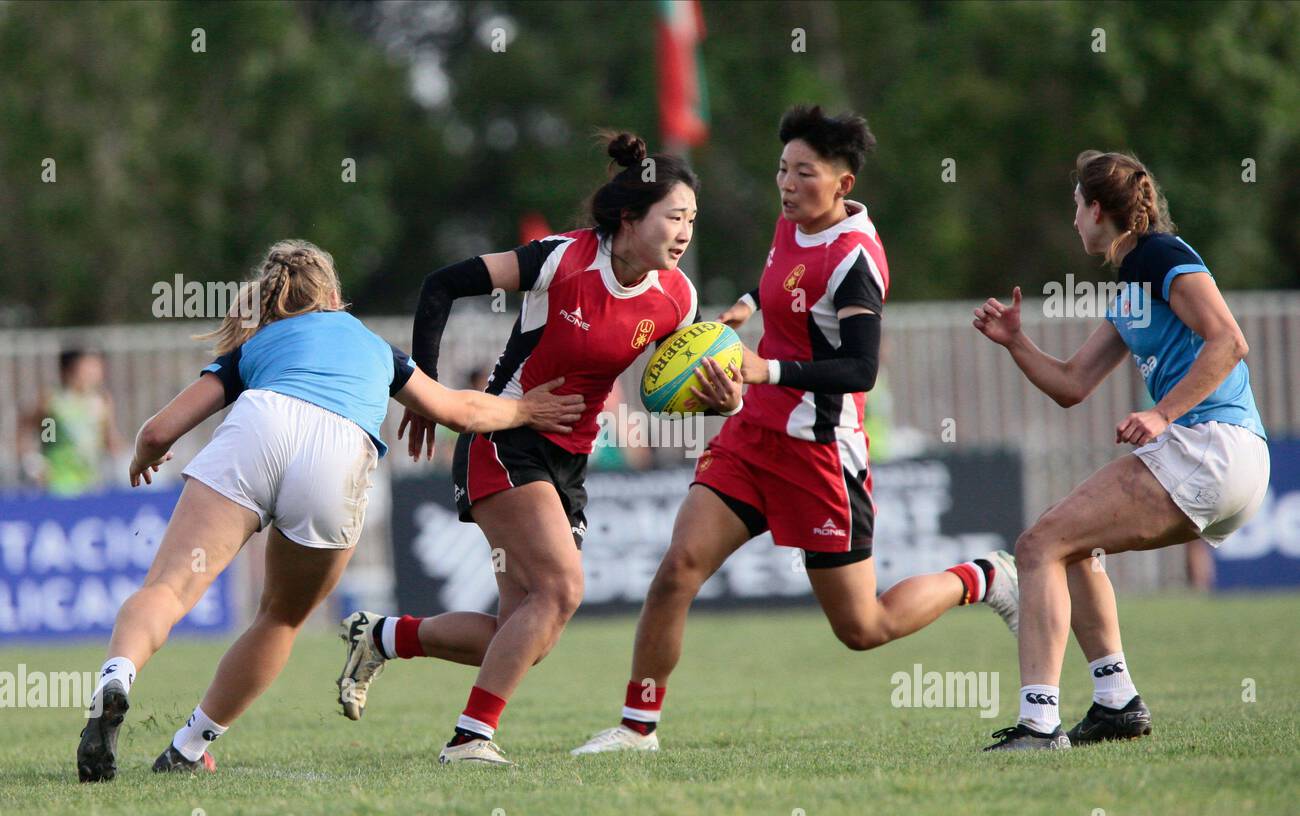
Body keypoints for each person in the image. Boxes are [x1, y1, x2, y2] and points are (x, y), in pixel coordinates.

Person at [572, 105, 1019, 756]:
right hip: (753, 437)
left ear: (843, 183)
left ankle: (986, 577)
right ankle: (638, 729)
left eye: (804, 173)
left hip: (819, 453)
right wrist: (748, 307)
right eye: (782, 169)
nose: (787, 184)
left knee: (864, 627)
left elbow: (861, 368)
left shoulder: (856, 259)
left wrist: (763, 367)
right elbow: (781, 276)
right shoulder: (793, 223)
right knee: (676, 572)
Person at [75, 240, 581, 781]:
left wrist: (141, 456)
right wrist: (524, 408)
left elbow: (158, 431)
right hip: (337, 453)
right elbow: (458, 409)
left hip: (258, 425)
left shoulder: (255, 346)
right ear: (335, 294)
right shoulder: (374, 347)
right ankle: (188, 748)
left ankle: (117, 677)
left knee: (168, 591)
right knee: (281, 618)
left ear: (269, 300)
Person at [336, 133, 732, 766]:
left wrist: (721, 394)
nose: (685, 232)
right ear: (630, 219)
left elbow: (670, 387)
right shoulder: (563, 260)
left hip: (568, 460)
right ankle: (469, 739)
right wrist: (426, 393)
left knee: (523, 632)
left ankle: (382, 635)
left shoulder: (677, 298)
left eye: (692, 219)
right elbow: (442, 284)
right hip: (502, 437)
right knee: (562, 589)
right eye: (674, 217)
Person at [972, 151, 1269, 750]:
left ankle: (1037, 723)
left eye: (1076, 207)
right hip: (1222, 460)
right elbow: (1073, 385)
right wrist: (1016, 342)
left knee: (1037, 546)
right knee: (1070, 545)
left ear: (1097, 209)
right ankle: (1115, 703)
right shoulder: (1132, 281)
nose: (1074, 220)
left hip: (1214, 447)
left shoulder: (1162, 255)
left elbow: (1229, 341)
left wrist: (1162, 413)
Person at [19, 349, 124, 495]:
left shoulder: (101, 401)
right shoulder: (53, 401)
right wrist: (34, 463)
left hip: (91, 482)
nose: (95, 373)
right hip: (59, 482)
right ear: (70, 370)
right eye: (89, 368)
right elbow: (37, 431)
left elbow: (110, 440)